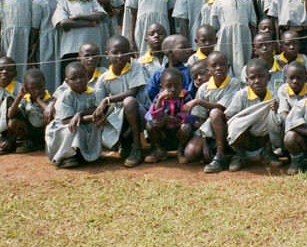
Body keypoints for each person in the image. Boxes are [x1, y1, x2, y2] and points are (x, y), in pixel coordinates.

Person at [93, 36, 149, 167]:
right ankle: (124, 142)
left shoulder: (135, 67)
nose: (120, 56)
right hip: (120, 116)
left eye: (124, 52)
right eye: (115, 52)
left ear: (130, 53)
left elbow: (132, 92)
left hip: (141, 114)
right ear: (107, 55)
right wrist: (100, 110)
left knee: (129, 102)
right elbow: (99, 105)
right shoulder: (103, 79)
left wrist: (107, 100)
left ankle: (137, 147)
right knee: (107, 114)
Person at [183, 51, 243, 164]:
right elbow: (200, 117)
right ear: (208, 70)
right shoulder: (204, 88)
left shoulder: (234, 83)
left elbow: (221, 107)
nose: (218, 68)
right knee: (189, 154)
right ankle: (213, 148)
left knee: (215, 112)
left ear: (228, 67)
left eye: (222, 64)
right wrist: (205, 144)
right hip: (209, 129)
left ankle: (221, 155)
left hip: (228, 124)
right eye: (213, 66)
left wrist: (198, 101)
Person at [45, 62, 103, 168]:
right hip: (62, 127)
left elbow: (95, 109)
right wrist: (89, 117)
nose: (79, 81)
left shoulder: (92, 93)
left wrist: (80, 114)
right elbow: (67, 121)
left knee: (95, 126)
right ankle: (66, 156)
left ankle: (86, 154)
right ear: (67, 81)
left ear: (87, 77)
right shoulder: (66, 96)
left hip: (82, 124)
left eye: (82, 77)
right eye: (73, 78)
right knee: (72, 129)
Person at [53, 0, 106, 79]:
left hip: (92, 54)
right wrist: (90, 24)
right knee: (71, 82)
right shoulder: (63, 3)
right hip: (71, 52)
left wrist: (78, 17)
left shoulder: (92, 1)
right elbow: (63, 23)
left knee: (92, 81)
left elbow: (101, 16)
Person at [211, 0, 257, 74]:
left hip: (244, 38)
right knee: (226, 65)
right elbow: (214, 27)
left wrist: (254, 44)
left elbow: (252, 24)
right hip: (225, 40)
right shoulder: (217, 2)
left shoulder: (247, 1)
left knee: (245, 66)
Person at [144, 67, 196, 164]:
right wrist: (160, 100)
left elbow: (188, 117)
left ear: (182, 85)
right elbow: (151, 115)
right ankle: (159, 150)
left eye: (177, 85)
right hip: (163, 134)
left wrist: (168, 119)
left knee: (186, 127)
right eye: (168, 86)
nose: (173, 89)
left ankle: (180, 151)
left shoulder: (186, 96)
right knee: (149, 124)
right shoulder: (159, 97)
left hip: (178, 134)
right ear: (161, 87)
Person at [6, 69, 50, 154]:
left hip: (44, 132)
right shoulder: (26, 98)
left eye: (40, 87)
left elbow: (50, 111)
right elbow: (10, 115)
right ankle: (32, 142)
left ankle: (43, 143)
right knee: (13, 122)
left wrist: (38, 100)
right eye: (32, 88)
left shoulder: (49, 99)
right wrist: (19, 97)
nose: (37, 91)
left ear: (44, 84)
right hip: (31, 131)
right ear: (25, 87)